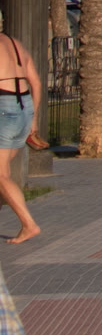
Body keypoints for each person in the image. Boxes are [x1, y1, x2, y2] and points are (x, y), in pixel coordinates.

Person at [0, 18, 45, 243]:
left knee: (1, 174)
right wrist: (33, 121)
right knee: (4, 169)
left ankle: (29, 224)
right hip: (24, 107)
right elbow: (36, 83)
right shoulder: (15, 44)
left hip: (4, 106)